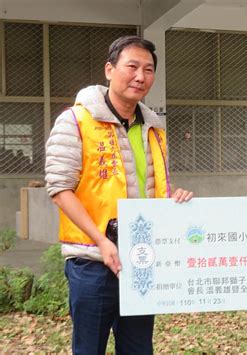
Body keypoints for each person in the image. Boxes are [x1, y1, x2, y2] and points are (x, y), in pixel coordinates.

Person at [45, 35, 193, 354]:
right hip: (93, 261)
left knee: (139, 348)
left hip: (141, 259)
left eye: (149, 69)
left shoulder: (154, 128)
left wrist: (174, 201)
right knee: (89, 348)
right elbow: (60, 189)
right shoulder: (76, 121)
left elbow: (154, 189)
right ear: (110, 70)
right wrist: (102, 241)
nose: (140, 77)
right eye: (132, 67)